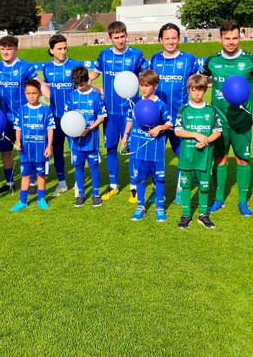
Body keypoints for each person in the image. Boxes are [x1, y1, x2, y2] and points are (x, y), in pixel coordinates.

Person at [200, 20, 253, 216]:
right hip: (218, 121)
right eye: (227, 38)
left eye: (235, 37)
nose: (231, 42)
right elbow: (200, 81)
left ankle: (242, 201)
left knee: (243, 159)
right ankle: (219, 198)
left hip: (242, 120)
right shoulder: (211, 61)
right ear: (220, 38)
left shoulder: (251, 61)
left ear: (240, 37)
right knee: (220, 158)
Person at [92, 21, 147, 202]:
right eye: (116, 38)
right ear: (110, 38)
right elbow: (94, 74)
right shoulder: (104, 55)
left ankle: (133, 186)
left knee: (131, 148)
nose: (120, 40)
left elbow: (146, 78)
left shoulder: (136, 55)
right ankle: (113, 185)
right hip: (109, 111)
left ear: (126, 35)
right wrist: (85, 82)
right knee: (110, 147)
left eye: (122, 36)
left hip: (130, 112)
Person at [149, 23, 201, 204]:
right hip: (158, 118)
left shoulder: (189, 60)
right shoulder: (155, 59)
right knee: (156, 156)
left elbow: (199, 84)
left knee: (182, 155)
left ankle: (181, 188)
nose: (171, 42)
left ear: (178, 38)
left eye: (174, 38)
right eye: (167, 38)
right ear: (160, 40)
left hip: (181, 117)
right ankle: (158, 190)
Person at [0, 35, 38, 195]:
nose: (5, 52)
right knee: (5, 151)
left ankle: (31, 183)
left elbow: (37, 86)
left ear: (16, 49)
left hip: (23, 118)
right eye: (3, 49)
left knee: (26, 150)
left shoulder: (25, 67)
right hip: (2, 120)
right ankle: (9, 182)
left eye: (9, 49)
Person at [173, 73, 222, 229]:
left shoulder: (211, 110)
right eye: (193, 90)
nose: (197, 93)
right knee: (186, 185)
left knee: (204, 185)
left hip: (204, 155)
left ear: (205, 90)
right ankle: (186, 214)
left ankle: (203, 214)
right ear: (188, 90)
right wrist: (195, 134)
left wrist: (205, 140)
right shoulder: (184, 110)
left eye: (200, 90)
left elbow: (217, 131)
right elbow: (178, 131)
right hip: (187, 155)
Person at [124, 69, 173, 222]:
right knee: (140, 178)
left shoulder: (160, 104)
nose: (144, 88)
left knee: (159, 179)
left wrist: (159, 127)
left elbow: (170, 123)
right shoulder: (136, 102)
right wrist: (125, 135)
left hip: (155, 149)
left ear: (155, 86)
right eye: (141, 85)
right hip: (139, 148)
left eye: (147, 85)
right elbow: (130, 120)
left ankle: (159, 207)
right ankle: (140, 206)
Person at [39, 34, 82, 196]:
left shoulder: (75, 66)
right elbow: (47, 90)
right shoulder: (47, 68)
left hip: (73, 118)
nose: (63, 51)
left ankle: (79, 184)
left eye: (65, 48)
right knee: (57, 150)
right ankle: (61, 183)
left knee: (75, 150)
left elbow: (82, 89)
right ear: (51, 50)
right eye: (59, 49)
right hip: (55, 118)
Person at [11, 79, 55, 211]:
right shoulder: (22, 110)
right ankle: (22, 201)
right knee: (25, 175)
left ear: (40, 93)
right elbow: (18, 128)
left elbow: (50, 128)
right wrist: (18, 141)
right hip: (26, 150)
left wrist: (49, 146)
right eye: (28, 93)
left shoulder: (46, 110)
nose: (31, 96)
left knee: (41, 175)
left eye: (34, 93)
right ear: (24, 93)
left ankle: (41, 198)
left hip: (41, 149)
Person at [66, 65, 106, 207]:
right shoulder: (71, 96)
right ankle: (81, 193)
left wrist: (88, 129)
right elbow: (67, 118)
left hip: (91, 139)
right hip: (76, 141)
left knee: (93, 166)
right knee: (78, 166)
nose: (79, 87)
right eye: (76, 85)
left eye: (81, 84)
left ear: (87, 80)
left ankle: (96, 194)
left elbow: (101, 117)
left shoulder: (95, 96)